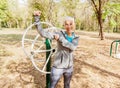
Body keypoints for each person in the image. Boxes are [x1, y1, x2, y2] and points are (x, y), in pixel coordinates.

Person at [33, 11, 79, 88]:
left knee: (67, 86)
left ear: (74, 25)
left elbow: (72, 47)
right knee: (52, 86)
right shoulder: (59, 33)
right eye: (66, 24)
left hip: (69, 68)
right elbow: (43, 33)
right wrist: (37, 18)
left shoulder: (76, 37)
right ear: (64, 25)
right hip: (58, 67)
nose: (69, 26)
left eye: (71, 24)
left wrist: (60, 39)